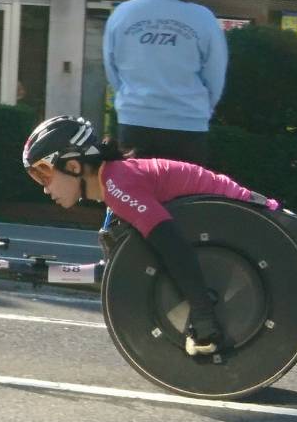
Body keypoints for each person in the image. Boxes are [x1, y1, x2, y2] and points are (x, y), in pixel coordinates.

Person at [21, 115, 279, 357]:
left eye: (44, 175)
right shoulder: (114, 180)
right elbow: (121, 267)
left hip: (251, 221)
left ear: (73, 166)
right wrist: (52, 272)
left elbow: (173, 246)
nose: (45, 189)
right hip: (238, 218)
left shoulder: (117, 185)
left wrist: (203, 314)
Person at [103, 0, 227, 166]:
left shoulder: (122, 13)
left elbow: (112, 69)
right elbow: (215, 73)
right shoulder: (202, 17)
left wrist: (133, 99)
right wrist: (200, 107)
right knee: (184, 188)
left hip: (135, 121)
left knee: (135, 187)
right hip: (188, 126)